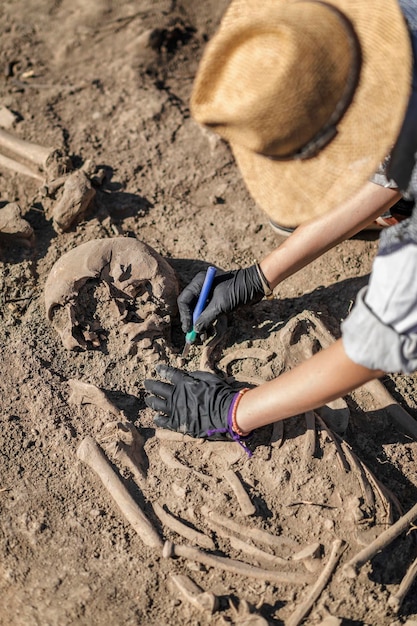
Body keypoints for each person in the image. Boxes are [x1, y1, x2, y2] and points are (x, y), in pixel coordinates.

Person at [144, 0, 417, 451]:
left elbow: (381, 340)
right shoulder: (379, 25)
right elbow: (392, 170)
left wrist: (234, 411)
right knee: (293, 219)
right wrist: (258, 277)